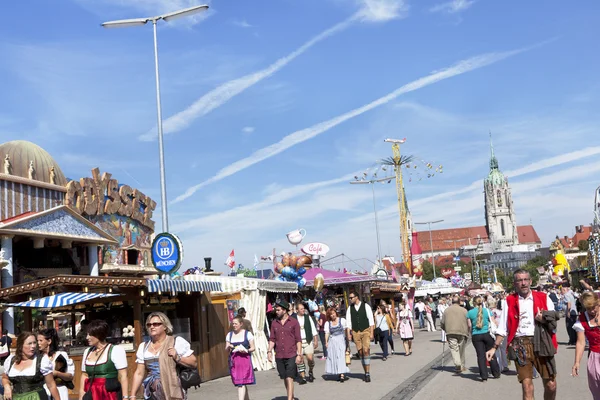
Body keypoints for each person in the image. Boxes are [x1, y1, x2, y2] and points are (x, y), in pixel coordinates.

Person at [486, 269, 557, 400]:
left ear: (530, 281)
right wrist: (494, 347)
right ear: (515, 283)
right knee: (527, 386)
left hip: (542, 342)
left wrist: (544, 319)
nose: (523, 283)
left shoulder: (543, 297)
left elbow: (554, 320)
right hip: (520, 345)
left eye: (525, 280)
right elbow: (502, 328)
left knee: (551, 385)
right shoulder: (509, 301)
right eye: (519, 280)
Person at [130, 312, 196, 400]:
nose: (152, 327)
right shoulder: (144, 346)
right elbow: (139, 373)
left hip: (172, 387)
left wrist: (177, 357)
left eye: (156, 324)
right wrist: (133, 395)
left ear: (165, 326)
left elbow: (194, 362)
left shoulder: (176, 342)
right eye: (149, 325)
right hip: (152, 390)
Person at [2, 331, 62, 400]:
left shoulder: (41, 360)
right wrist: (6, 386)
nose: (33, 346)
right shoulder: (11, 361)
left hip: (36, 397)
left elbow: (51, 385)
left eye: (34, 343)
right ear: (21, 346)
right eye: (29, 343)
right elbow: (5, 378)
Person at [79, 320, 129, 400]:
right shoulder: (87, 352)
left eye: (90, 334)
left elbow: (123, 375)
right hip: (92, 394)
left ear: (98, 334)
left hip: (109, 395)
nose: (87, 337)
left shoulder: (115, 350)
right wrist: (81, 396)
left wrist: (125, 397)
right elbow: (84, 375)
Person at [268, 300, 302, 400]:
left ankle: (289, 398)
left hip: (291, 354)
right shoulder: (274, 323)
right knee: (284, 377)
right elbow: (272, 339)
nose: (276, 312)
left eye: (278, 310)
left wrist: (299, 354)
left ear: (284, 310)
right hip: (279, 354)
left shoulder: (294, 322)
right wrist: (269, 351)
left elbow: (298, 339)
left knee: (289, 377)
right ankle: (290, 395)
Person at [572, 291, 600, 399]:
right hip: (595, 357)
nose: (592, 311)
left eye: (594, 307)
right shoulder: (583, 319)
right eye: (588, 308)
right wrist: (577, 362)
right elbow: (581, 342)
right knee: (597, 390)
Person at [467, 296, 500, 382]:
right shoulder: (487, 311)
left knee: (480, 356)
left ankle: (484, 376)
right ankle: (496, 373)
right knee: (491, 353)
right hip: (487, 334)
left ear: (473, 303)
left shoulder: (470, 312)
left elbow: (469, 325)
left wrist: (469, 333)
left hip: (476, 335)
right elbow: (493, 322)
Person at [38, 328, 75, 400]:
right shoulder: (39, 358)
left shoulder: (61, 356)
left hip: (60, 390)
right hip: (43, 391)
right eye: (37, 340)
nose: (38, 343)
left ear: (49, 341)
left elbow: (70, 376)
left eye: (41, 340)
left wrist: (57, 373)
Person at [345, 292, 375, 383]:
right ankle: (365, 369)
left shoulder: (366, 306)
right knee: (361, 352)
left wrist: (372, 333)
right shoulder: (350, 309)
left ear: (357, 297)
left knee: (366, 351)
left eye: (351, 297)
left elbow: (371, 321)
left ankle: (367, 373)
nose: (350, 299)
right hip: (355, 332)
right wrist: (349, 335)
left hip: (365, 330)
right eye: (349, 298)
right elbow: (348, 323)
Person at [226, 315, 256, 400]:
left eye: (236, 324)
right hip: (234, 361)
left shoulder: (248, 334)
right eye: (233, 324)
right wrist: (229, 346)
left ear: (241, 324)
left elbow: (253, 348)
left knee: (241, 383)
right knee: (241, 383)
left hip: (245, 361)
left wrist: (246, 350)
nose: (234, 325)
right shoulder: (230, 335)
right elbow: (226, 347)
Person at [441, 295, 469, 373]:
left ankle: (458, 364)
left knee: (454, 348)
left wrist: (444, 328)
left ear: (452, 302)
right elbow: (468, 322)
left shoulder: (446, 310)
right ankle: (461, 365)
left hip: (451, 331)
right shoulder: (464, 310)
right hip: (462, 332)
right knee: (461, 349)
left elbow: (442, 322)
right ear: (459, 302)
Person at [293, 302, 318, 384]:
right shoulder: (293, 318)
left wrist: (315, 340)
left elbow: (313, 329)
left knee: (310, 359)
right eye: (301, 309)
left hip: (308, 340)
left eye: (303, 308)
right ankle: (303, 377)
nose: (303, 310)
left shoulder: (308, 317)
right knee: (300, 360)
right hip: (298, 342)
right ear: (297, 310)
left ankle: (310, 370)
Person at [324, 307, 349, 382]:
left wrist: (347, 339)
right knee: (335, 356)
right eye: (331, 314)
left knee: (341, 356)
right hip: (333, 341)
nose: (333, 315)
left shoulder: (342, 320)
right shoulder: (328, 323)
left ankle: (342, 374)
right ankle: (338, 371)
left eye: (333, 313)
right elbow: (327, 333)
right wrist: (326, 342)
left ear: (336, 313)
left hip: (341, 339)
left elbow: (346, 330)